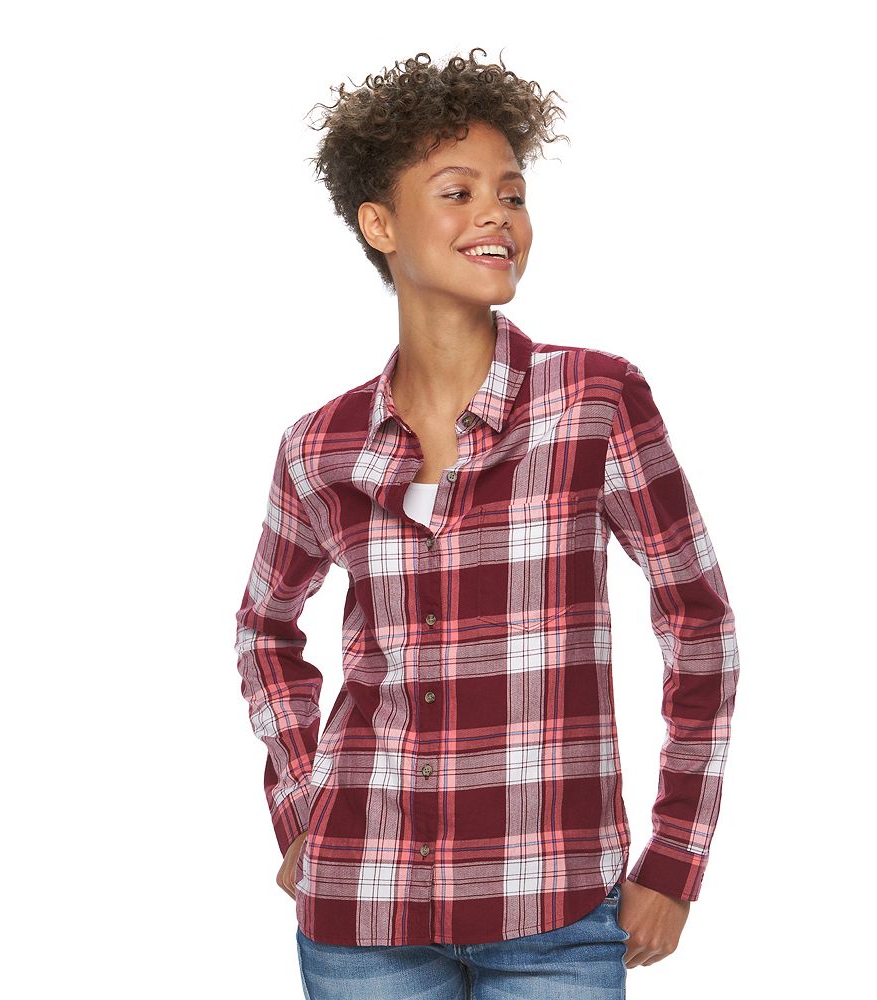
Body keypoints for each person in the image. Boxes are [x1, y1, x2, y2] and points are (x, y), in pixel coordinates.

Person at [234, 47, 740, 999]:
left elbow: (698, 617)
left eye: (512, 193)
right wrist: (302, 808)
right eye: (458, 193)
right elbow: (265, 628)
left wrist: (676, 856)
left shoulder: (594, 400)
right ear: (379, 224)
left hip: (554, 911)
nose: (498, 215)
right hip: (363, 913)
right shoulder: (319, 445)